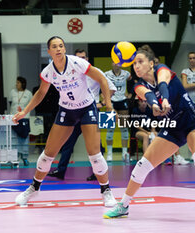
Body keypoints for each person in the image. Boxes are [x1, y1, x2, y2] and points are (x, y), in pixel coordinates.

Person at [103, 45, 195, 222]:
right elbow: (148, 95)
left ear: (151, 63)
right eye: (134, 64)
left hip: (191, 123)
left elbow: (163, 84)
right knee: (142, 165)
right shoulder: (138, 85)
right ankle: (124, 205)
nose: (136, 66)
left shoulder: (162, 69)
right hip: (171, 128)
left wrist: (164, 99)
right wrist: (155, 106)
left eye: (140, 62)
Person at [14, 36, 117, 207]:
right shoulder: (48, 72)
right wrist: (25, 111)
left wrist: (108, 105)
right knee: (48, 154)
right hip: (66, 111)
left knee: (94, 154)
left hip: (86, 108)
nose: (59, 49)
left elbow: (102, 79)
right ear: (49, 51)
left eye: (61, 46)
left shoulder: (77, 63)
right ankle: (33, 188)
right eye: (55, 47)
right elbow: (41, 93)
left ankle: (106, 191)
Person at [47, 48, 116, 180]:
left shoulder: (94, 71)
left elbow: (110, 87)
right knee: (68, 142)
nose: (81, 59)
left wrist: (103, 103)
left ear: (87, 59)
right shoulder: (71, 72)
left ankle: (98, 173)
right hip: (74, 111)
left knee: (96, 145)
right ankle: (61, 171)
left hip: (90, 110)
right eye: (79, 57)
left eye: (84, 57)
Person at [105, 62, 132, 162]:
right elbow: (101, 84)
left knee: (124, 128)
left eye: (118, 63)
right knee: (110, 129)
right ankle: (109, 154)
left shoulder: (126, 74)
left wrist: (130, 94)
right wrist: (104, 97)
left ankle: (125, 153)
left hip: (122, 101)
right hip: (111, 101)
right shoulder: (106, 74)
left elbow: (133, 82)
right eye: (114, 62)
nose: (116, 64)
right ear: (111, 63)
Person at [9, 76, 33, 165]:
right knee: (14, 138)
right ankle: (15, 157)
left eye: (18, 83)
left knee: (24, 137)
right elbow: (10, 103)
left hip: (25, 118)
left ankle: (25, 157)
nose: (16, 84)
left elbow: (31, 105)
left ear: (23, 84)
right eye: (16, 82)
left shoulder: (29, 93)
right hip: (14, 118)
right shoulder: (12, 92)